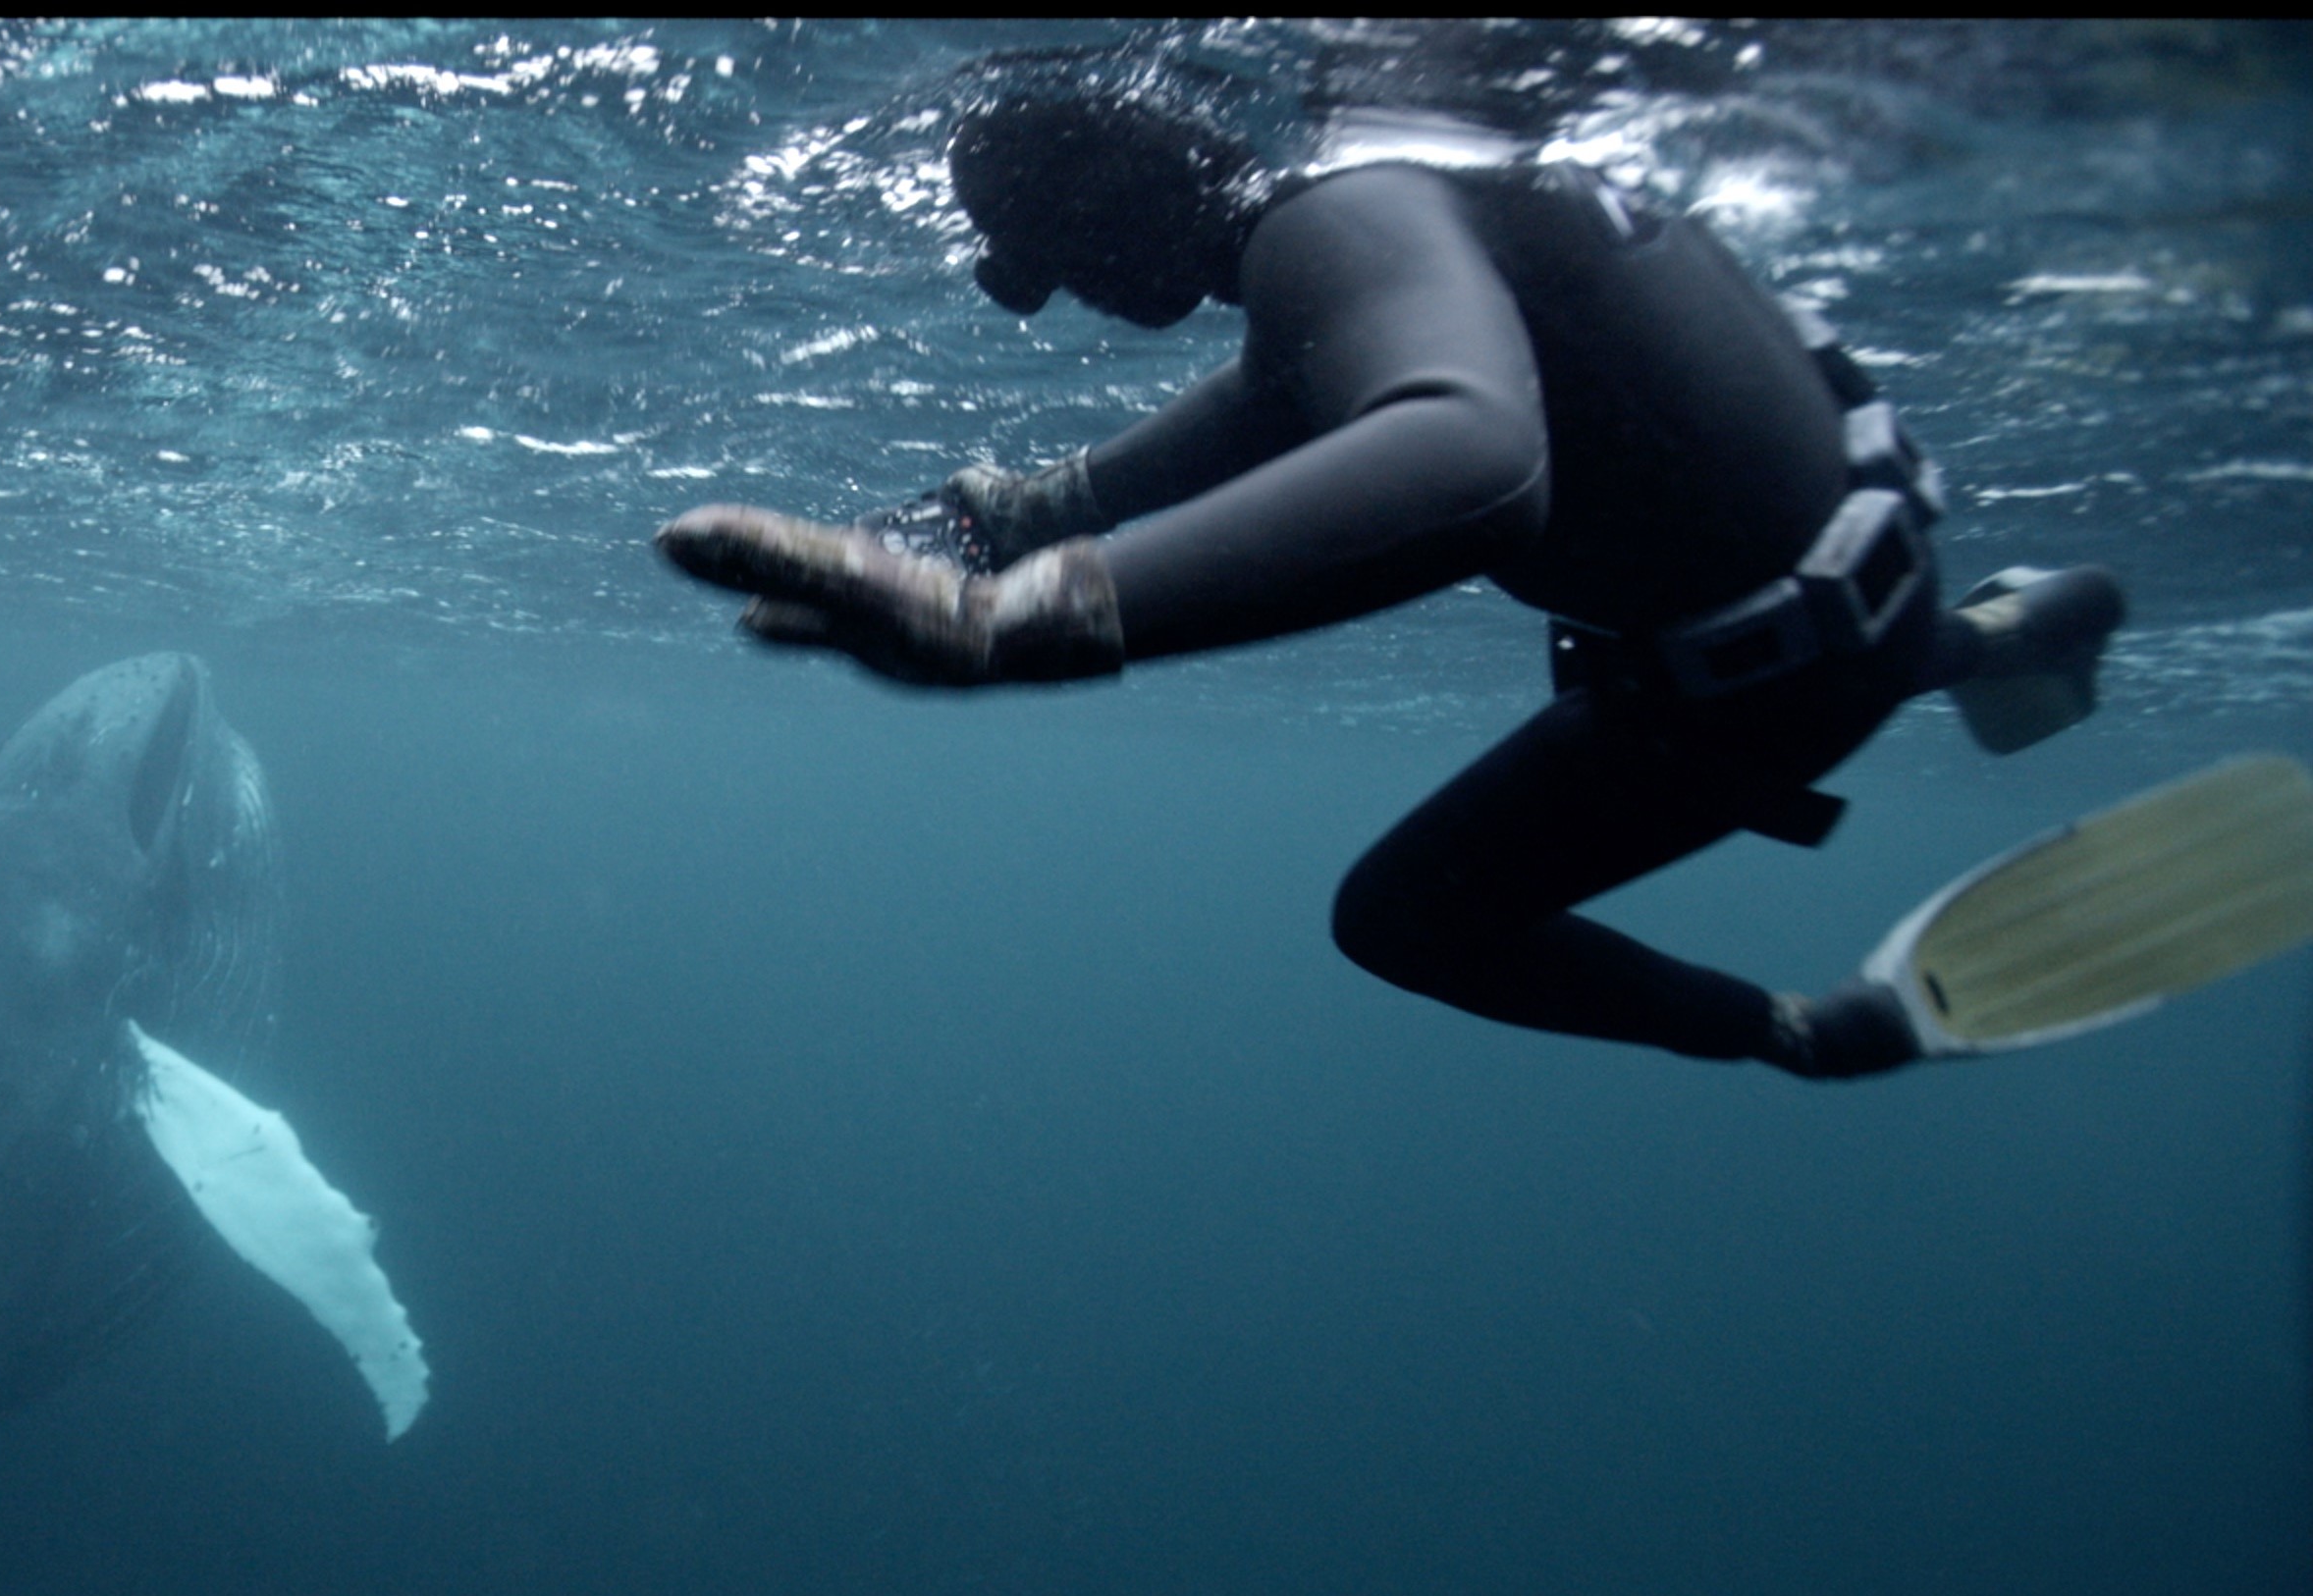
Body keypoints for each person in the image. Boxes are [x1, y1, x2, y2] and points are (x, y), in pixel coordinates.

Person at [658, 69, 2126, 1080]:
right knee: (1808, 626)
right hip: (1862, 590)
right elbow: (1268, 410)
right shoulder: (1406, 216)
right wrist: (1031, 511)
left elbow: (1471, 461)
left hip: (1750, 698)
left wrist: (1019, 619)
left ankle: (1814, 1028)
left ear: (1117, 195)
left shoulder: (1331, 224)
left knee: (1407, 921)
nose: (1063, 303)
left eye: (1044, 253)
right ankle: (1997, 635)